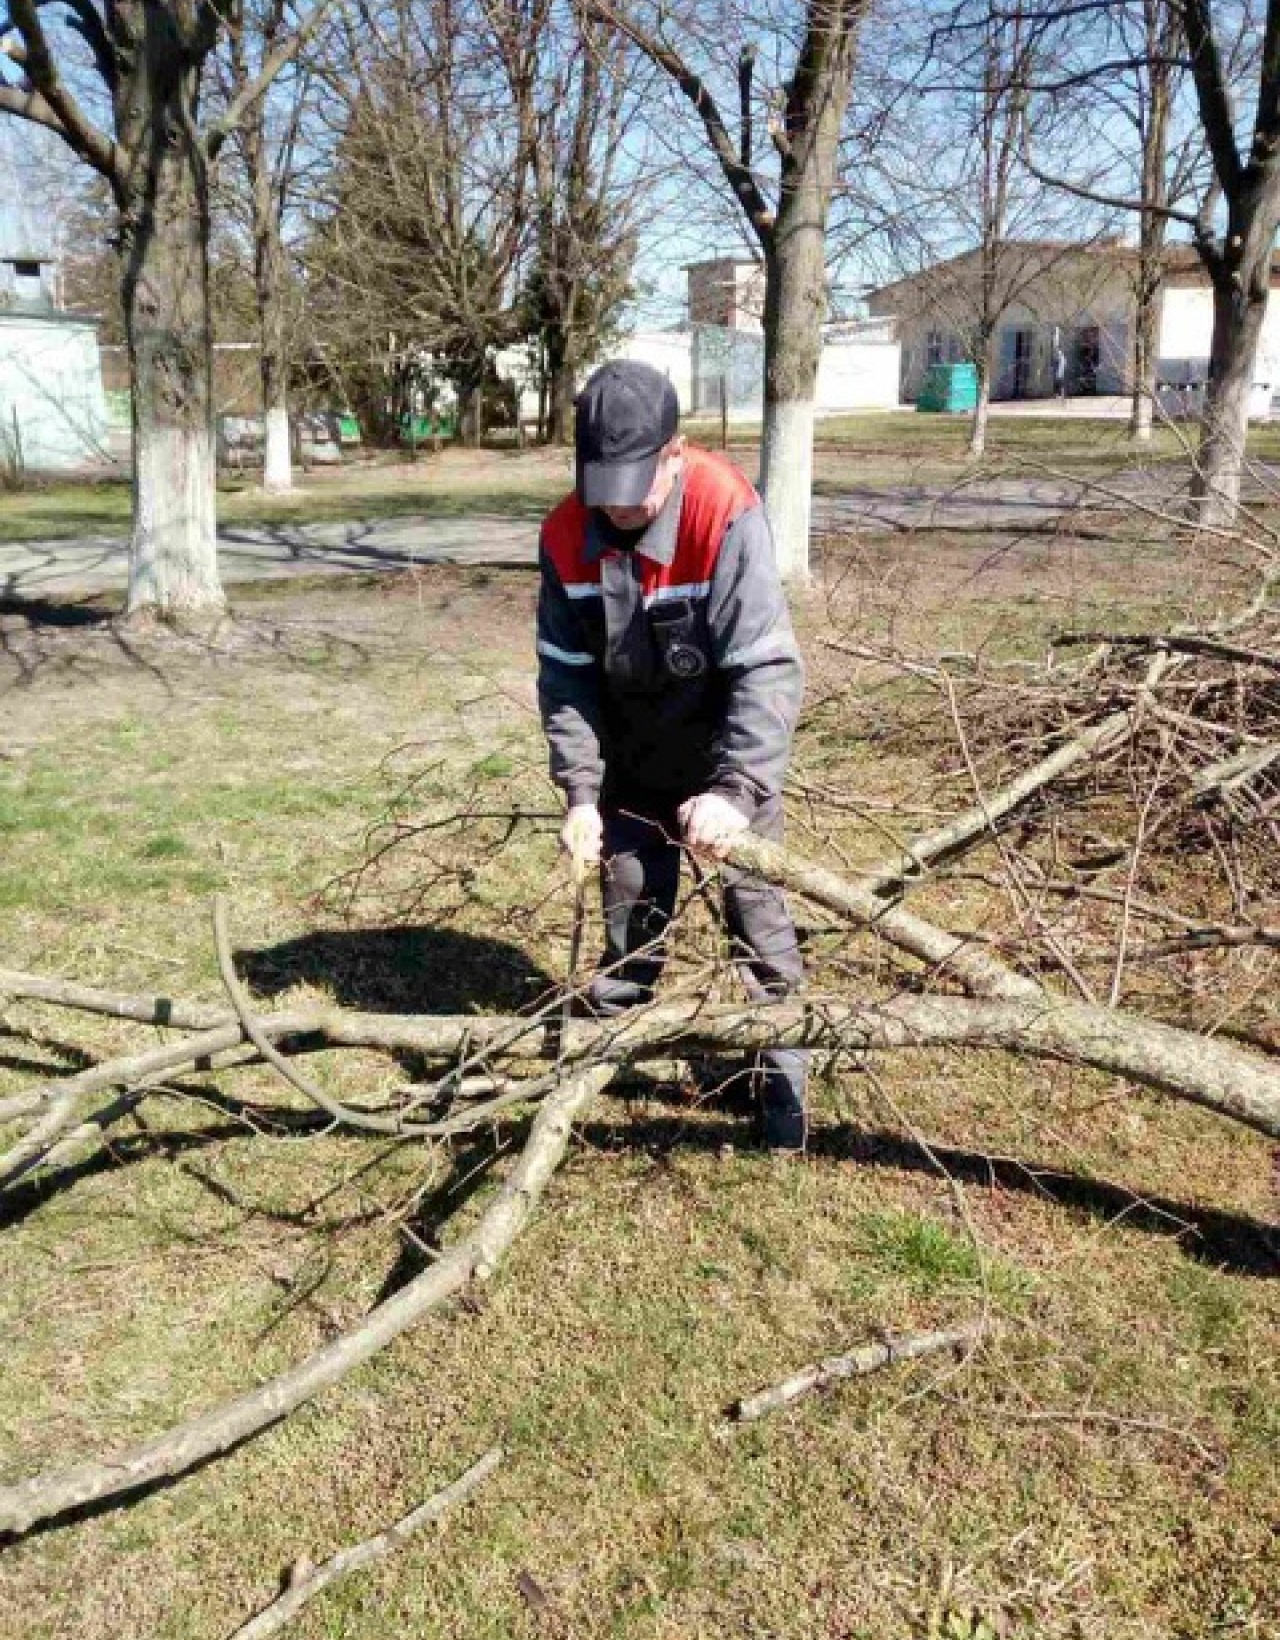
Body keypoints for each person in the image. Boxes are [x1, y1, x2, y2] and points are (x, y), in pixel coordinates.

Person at [535, 359, 808, 1150]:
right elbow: (567, 677)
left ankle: (782, 1084)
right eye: (603, 487)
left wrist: (736, 788)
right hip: (630, 757)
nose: (618, 508)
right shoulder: (565, 535)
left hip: (723, 751)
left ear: (676, 454)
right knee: (631, 908)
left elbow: (765, 666)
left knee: (757, 914)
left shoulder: (724, 512)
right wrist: (582, 794)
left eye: (635, 486)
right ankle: (604, 1056)